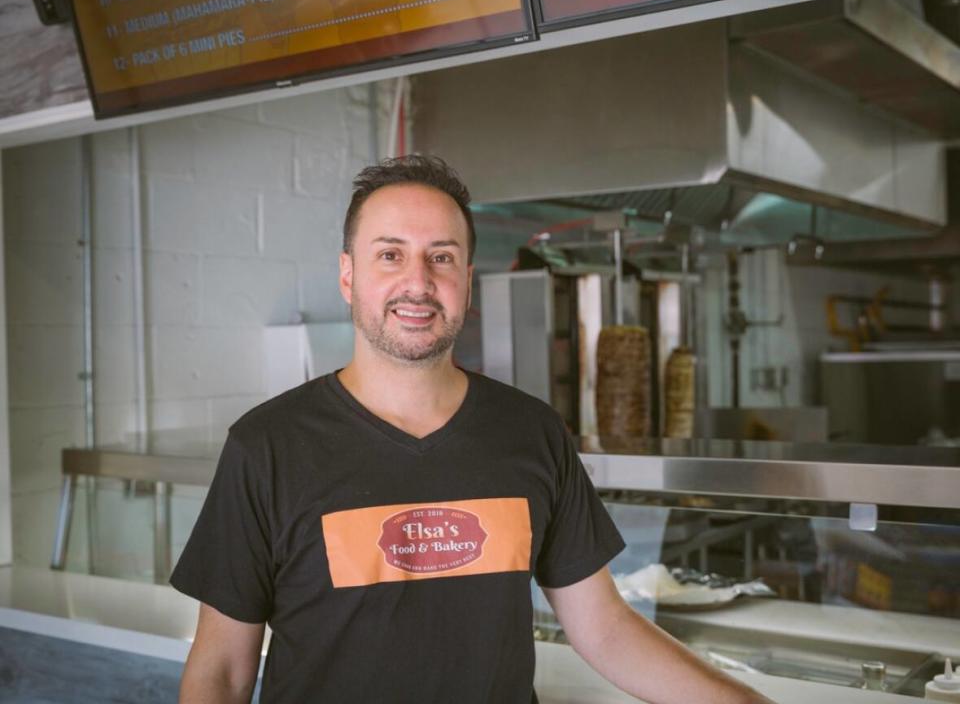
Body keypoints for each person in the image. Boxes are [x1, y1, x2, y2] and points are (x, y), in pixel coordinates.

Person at [172, 155, 775, 704]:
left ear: (466, 279)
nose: (419, 281)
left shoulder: (532, 432)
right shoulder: (267, 446)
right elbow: (222, 670)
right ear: (348, 275)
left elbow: (606, 629)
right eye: (390, 254)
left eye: (442, 256)